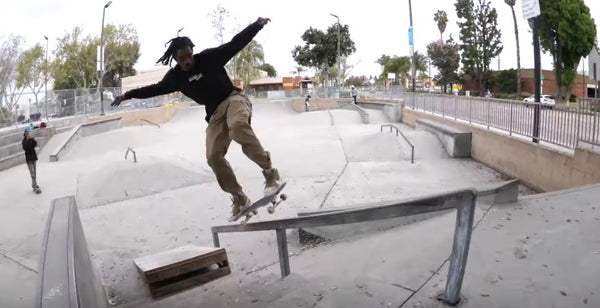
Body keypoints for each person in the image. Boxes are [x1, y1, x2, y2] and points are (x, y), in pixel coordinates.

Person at [110, 17, 281, 217]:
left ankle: (269, 173)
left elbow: (234, 44)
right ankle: (240, 197)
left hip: (233, 99)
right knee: (213, 157)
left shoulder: (209, 58)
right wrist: (127, 95)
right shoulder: (174, 78)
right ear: (175, 58)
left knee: (237, 126)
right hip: (214, 113)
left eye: (189, 56)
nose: (187, 61)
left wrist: (256, 26)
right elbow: (154, 89)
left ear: (192, 52)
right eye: (182, 58)